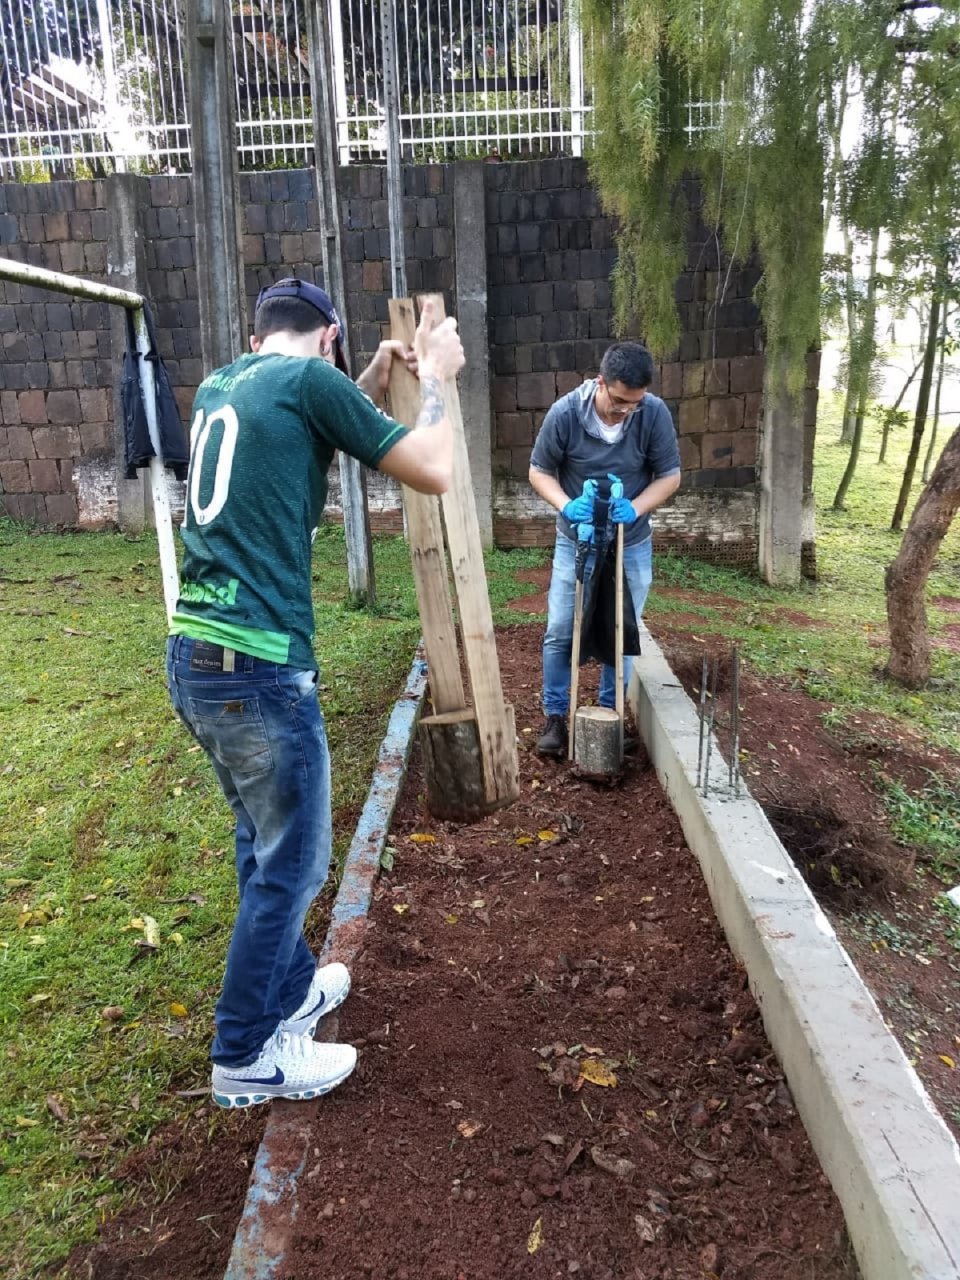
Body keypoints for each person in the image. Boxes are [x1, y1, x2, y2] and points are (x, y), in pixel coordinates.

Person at [165, 278, 463, 1108]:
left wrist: (364, 374)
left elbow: (318, 424)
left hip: (196, 659)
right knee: (293, 868)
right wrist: (436, 374)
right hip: (258, 669)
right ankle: (246, 1055)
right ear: (329, 335)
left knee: (262, 843)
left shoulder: (228, 384)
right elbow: (431, 470)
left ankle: (290, 988)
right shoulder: (310, 383)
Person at [529, 341, 681, 757]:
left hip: (629, 542)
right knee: (561, 629)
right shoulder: (565, 414)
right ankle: (556, 718)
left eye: (635, 402)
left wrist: (633, 507)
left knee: (621, 631)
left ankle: (608, 714)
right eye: (618, 400)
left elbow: (669, 476)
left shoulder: (652, 414)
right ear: (601, 383)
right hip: (575, 540)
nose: (625, 410)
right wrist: (567, 506)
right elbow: (539, 471)